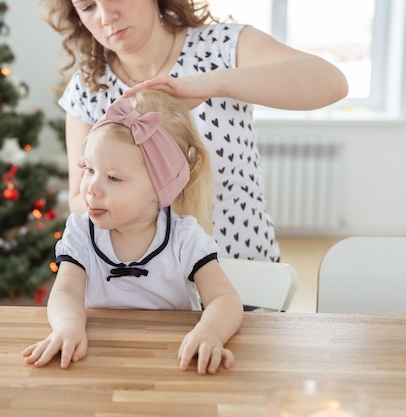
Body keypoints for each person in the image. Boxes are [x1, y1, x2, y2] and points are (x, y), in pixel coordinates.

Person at [37, 0, 349, 262]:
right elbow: (80, 197)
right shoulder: (88, 87)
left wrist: (215, 83)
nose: (106, 16)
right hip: (143, 286)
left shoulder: (224, 47)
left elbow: (332, 83)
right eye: (88, 6)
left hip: (244, 270)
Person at [22, 89, 244, 374]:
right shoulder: (80, 232)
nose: (91, 187)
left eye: (113, 177)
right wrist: (68, 326)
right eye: (89, 169)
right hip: (98, 363)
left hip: (171, 364)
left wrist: (210, 333)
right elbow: (66, 291)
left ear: (159, 188)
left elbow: (224, 299)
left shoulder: (185, 237)